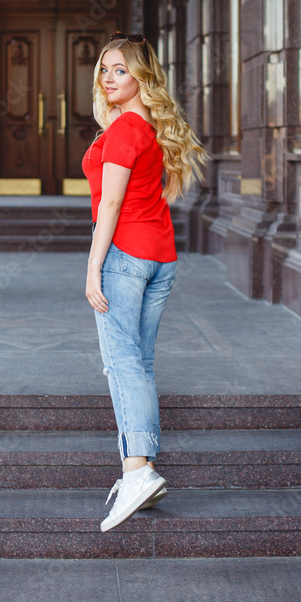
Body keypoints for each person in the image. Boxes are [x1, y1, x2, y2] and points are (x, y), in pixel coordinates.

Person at [81, 31, 207, 532]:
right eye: (105, 69)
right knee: (140, 363)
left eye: (121, 70)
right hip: (159, 257)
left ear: (141, 76)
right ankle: (140, 472)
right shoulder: (146, 126)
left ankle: (138, 470)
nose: (110, 78)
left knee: (121, 362)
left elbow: (110, 203)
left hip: (124, 257)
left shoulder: (125, 130)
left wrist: (94, 266)